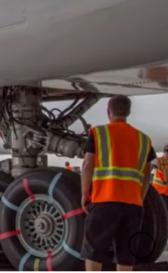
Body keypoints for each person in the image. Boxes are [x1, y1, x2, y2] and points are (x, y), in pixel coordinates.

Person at [81, 95, 155, 272]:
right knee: (126, 254)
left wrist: (85, 193)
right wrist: (140, 197)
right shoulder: (144, 139)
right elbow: (147, 173)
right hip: (133, 205)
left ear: (108, 112)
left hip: (104, 201)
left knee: (94, 251)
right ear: (128, 112)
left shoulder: (98, 134)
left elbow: (87, 164)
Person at [152, 144, 168, 211]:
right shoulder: (158, 160)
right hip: (160, 192)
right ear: (164, 152)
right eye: (167, 150)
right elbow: (150, 166)